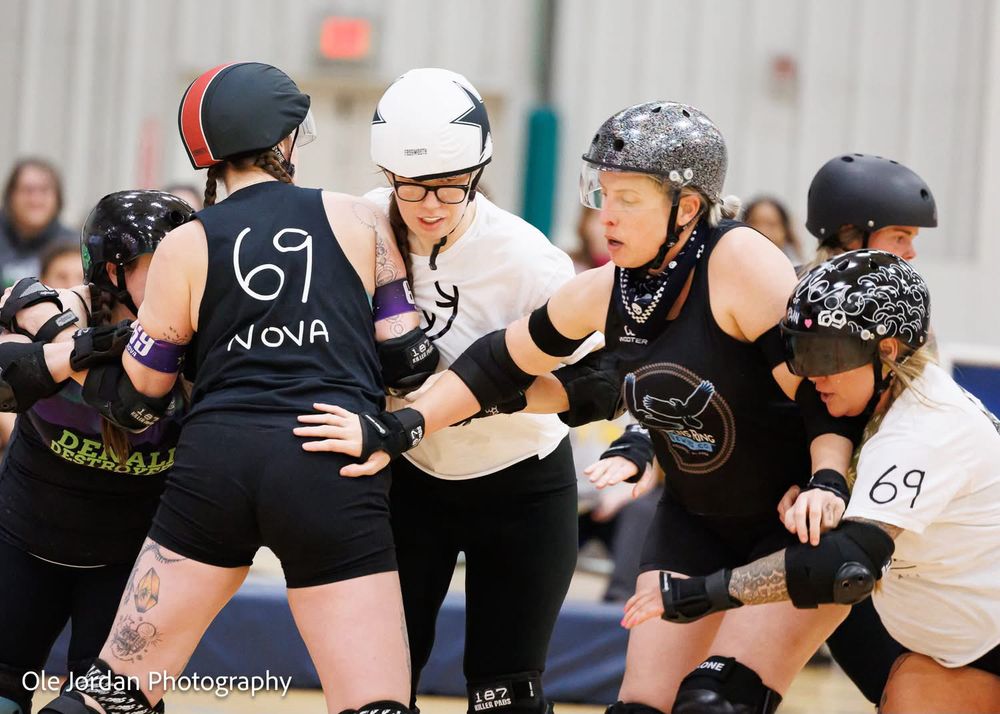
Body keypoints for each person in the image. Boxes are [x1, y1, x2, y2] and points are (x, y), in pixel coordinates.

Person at [295, 101, 866, 714]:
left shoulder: (738, 260)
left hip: (787, 517)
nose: (605, 215)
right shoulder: (614, 285)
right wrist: (403, 426)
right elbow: (498, 362)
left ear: (688, 208)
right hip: (695, 520)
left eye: (628, 199)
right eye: (603, 193)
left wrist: (824, 476)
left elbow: (824, 390)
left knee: (712, 703)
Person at [40, 61, 432, 714]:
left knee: (115, 694)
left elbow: (142, 395)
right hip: (326, 457)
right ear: (282, 143)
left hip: (216, 464)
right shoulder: (357, 219)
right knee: (378, 707)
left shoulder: (185, 243)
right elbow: (407, 357)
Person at [622, 250, 1000, 713]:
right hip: (950, 647)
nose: (812, 373)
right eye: (800, 352)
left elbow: (842, 567)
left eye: (827, 354)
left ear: (887, 350)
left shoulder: (926, 428)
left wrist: (702, 593)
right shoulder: (871, 401)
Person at [349, 67, 582, 714]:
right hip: (411, 479)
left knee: (504, 692)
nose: (429, 207)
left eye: (449, 190)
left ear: (477, 173)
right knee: (379, 687)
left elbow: (593, 386)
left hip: (522, 484)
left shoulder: (529, 258)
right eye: (412, 189)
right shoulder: (361, 221)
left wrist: (489, 391)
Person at [0, 190, 192, 714]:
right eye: (167, 264)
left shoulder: (203, 332)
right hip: (24, 543)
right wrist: (78, 349)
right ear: (113, 271)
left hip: (126, 565)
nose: (186, 278)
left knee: (107, 706)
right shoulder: (62, 311)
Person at [806, 153, 936, 265]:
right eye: (899, 238)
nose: (911, 254)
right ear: (849, 235)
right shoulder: (791, 291)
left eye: (911, 239)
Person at [0, 158, 77, 286]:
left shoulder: (71, 246)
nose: (35, 200)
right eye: (27, 190)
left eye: (44, 191)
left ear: (57, 198)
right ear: (10, 196)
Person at [742, 196, 804, 264]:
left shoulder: (797, 271)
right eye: (754, 223)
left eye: (771, 224)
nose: (762, 232)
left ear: (785, 232)